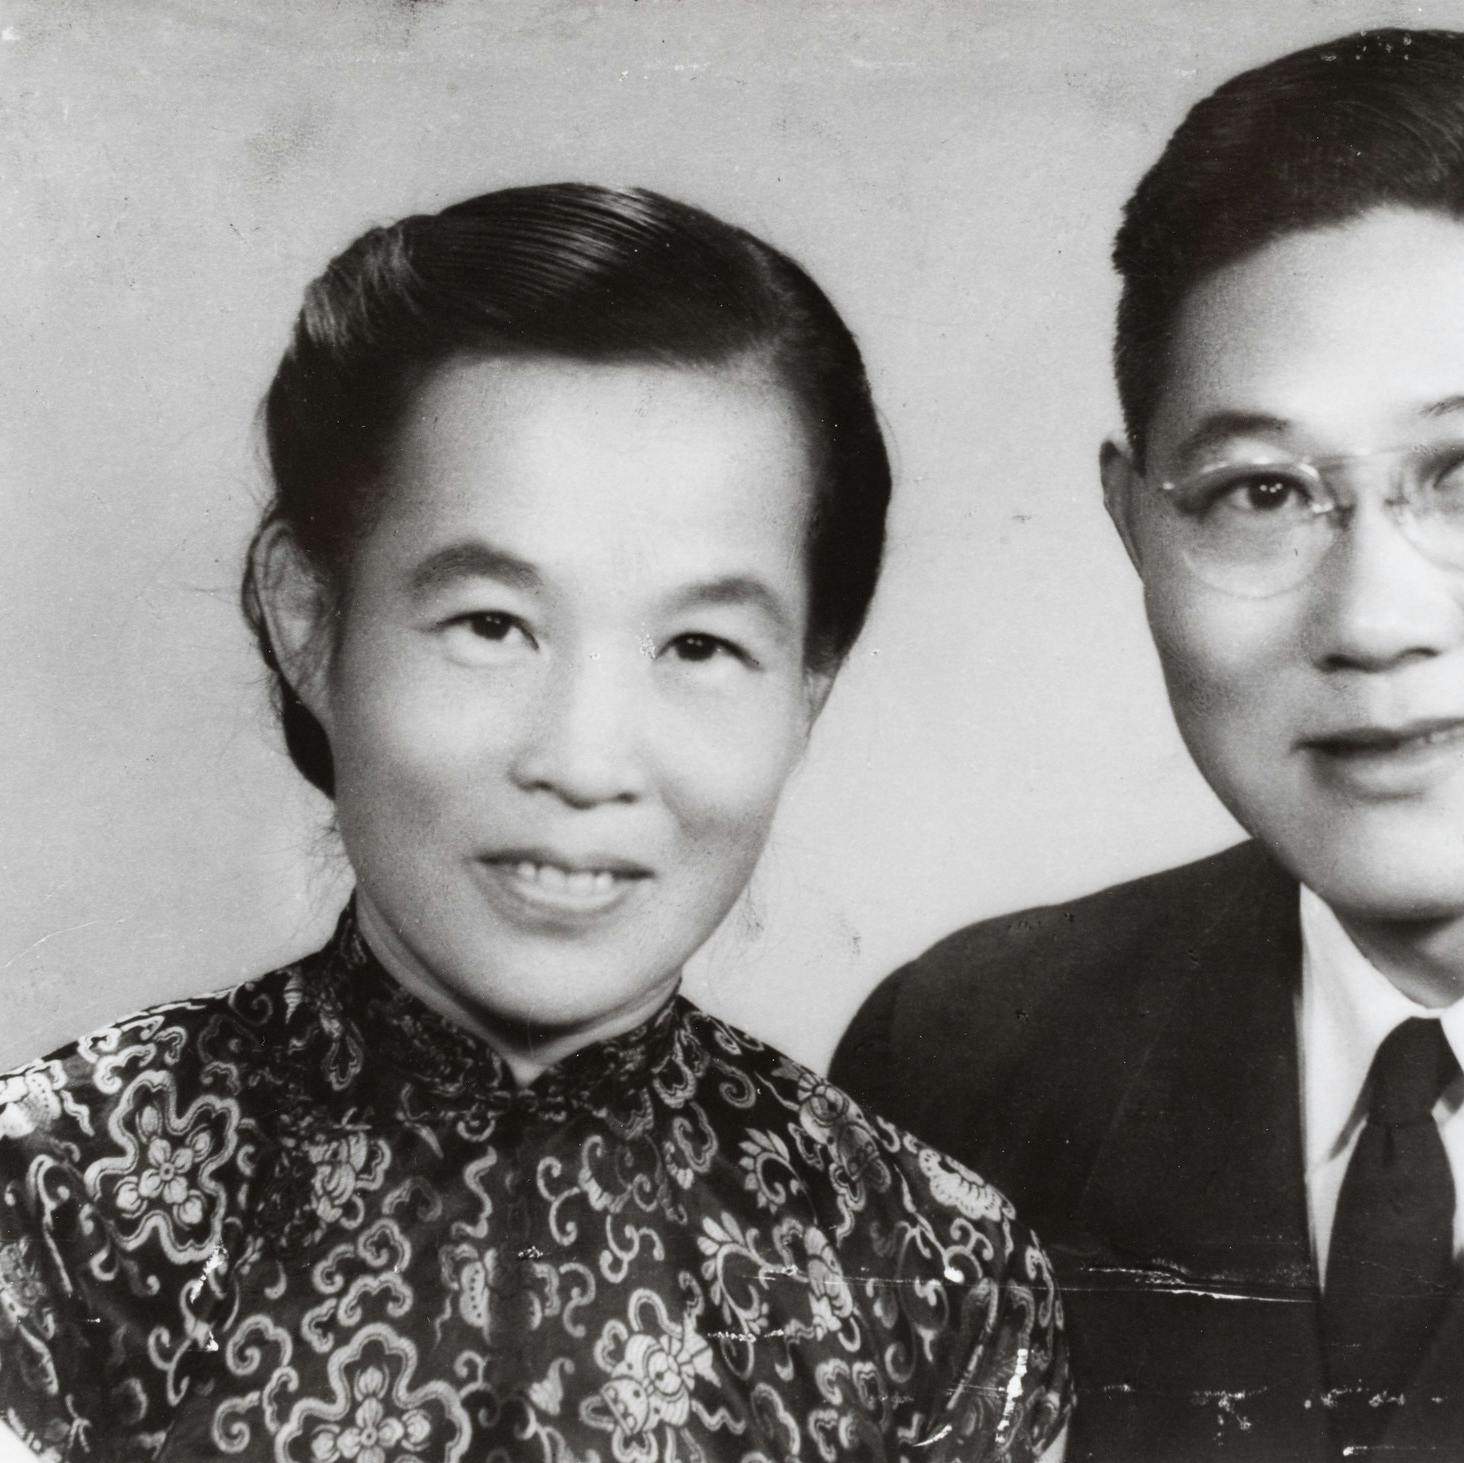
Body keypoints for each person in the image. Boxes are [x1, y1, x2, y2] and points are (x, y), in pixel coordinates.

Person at [0, 184, 1069, 1461]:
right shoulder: (54, 1205)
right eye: (492, 625)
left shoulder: (937, 1276)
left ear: (806, 692)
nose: (583, 759)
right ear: (307, 617)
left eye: (701, 643)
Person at [833, 26, 1464, 1463]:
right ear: (1134, 526)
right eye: (1259, 492)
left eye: (1463, 471)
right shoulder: (965, 1062)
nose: (1372, 618)